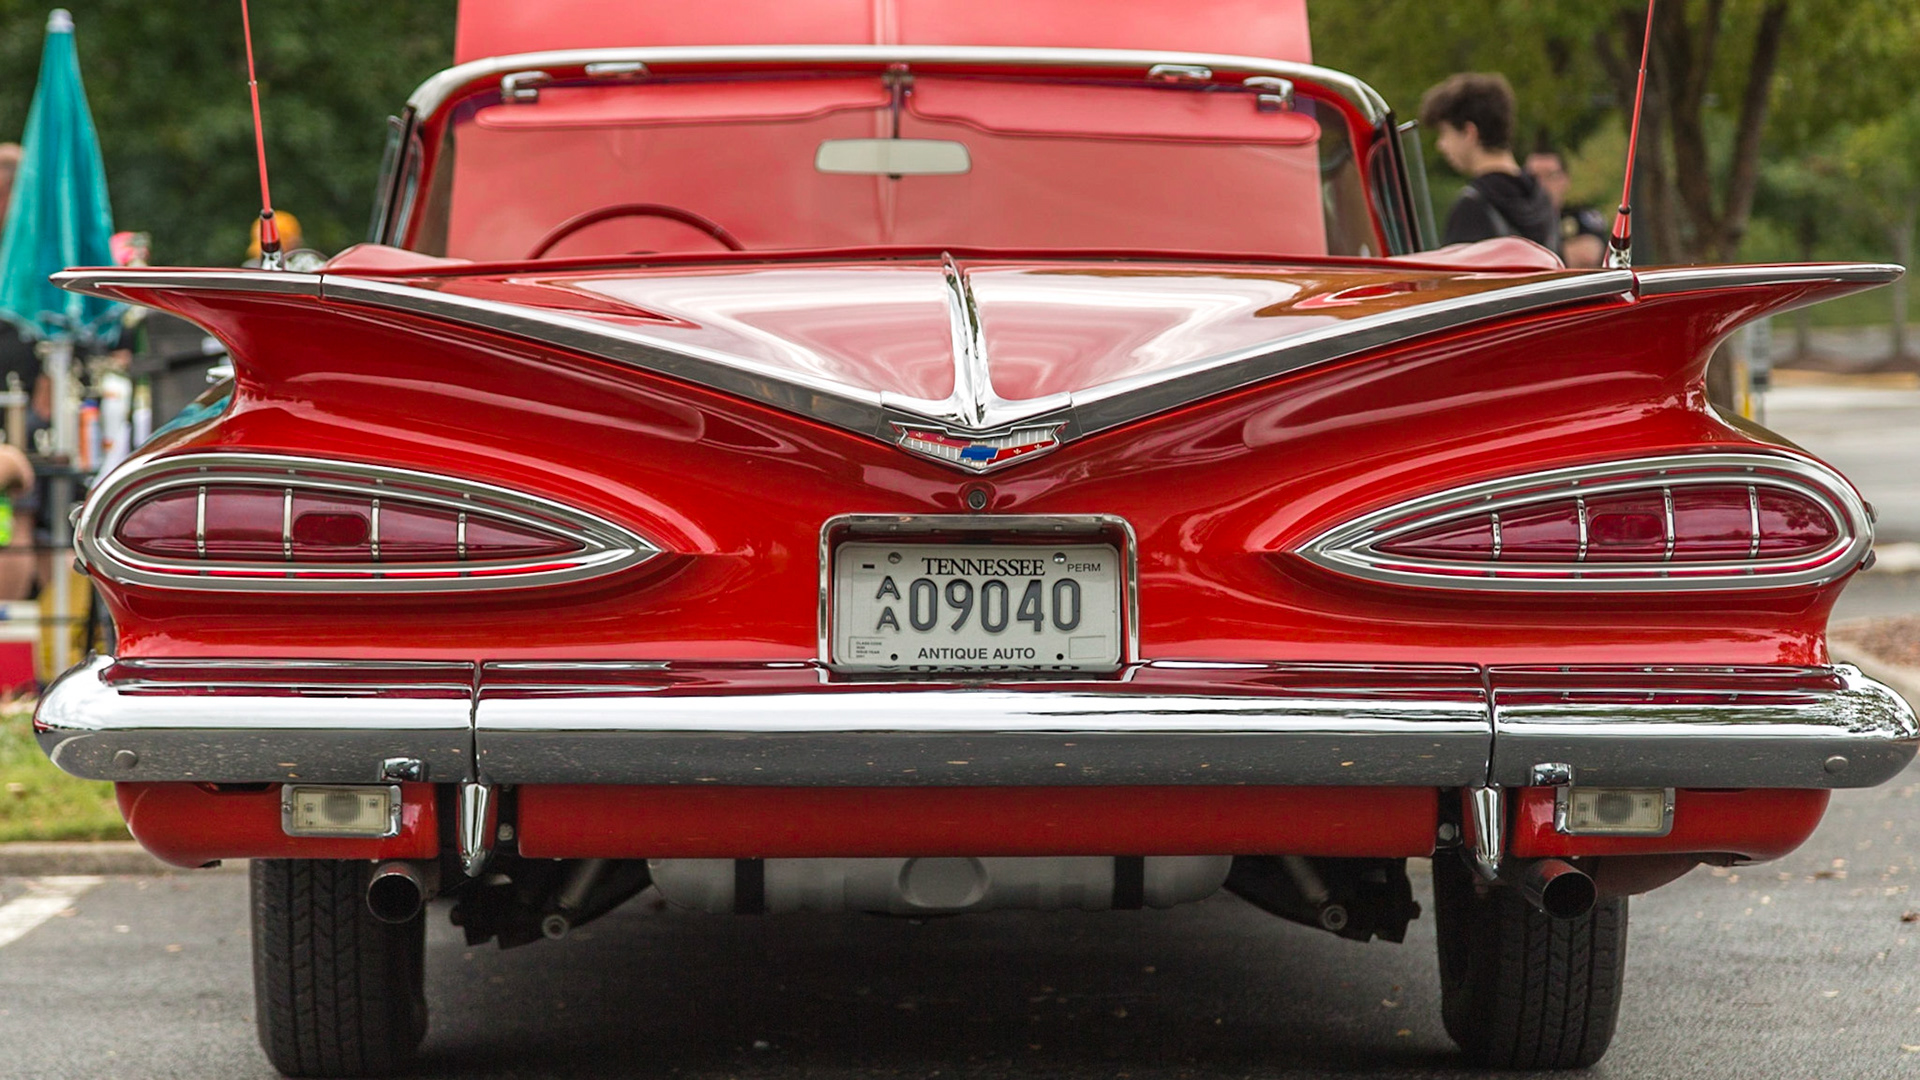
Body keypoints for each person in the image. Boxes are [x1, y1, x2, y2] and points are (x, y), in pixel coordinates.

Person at [1418, 74, 1557, 251]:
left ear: (1469, 132)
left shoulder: (1471, 209)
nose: (1441, 145)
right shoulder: (1541, 198)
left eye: (1444, 133)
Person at [1525, 149, 1610, 269]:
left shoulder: (1580, 217)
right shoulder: (1516, 218)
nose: (1541, 184)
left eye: (1550, 176)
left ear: (1565, 179)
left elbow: (1588, 255)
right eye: (1533, 177)